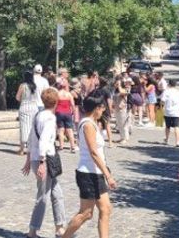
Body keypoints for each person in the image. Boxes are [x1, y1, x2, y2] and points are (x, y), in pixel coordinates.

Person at [62, 92, 117, 238]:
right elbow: (93, 152)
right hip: (88, 174)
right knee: (86, 213)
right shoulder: (87, 125)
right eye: (102, 108)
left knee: (106, 209)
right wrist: (108, 176)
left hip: (96, 173)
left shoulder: (92, 123)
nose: (103, 111)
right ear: (96, 108)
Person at [21, 88, 66, 238]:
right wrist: (41, 163)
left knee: (57, 193)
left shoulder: (37, 115)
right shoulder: (50, 118)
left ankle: (60, 228)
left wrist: (28, 160)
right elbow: (43, 141)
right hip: (44, 160)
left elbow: (30, 139)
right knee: (43, 196)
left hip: (38, 159)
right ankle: (32, 231)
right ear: (56, 102)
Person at [17, 71, 40, 156]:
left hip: (25, 106)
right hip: (34, 107)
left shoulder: (22, 86)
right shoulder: (35, 86)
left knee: (24, 127)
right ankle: (32, 148)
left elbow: (17, 97)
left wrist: (23, 99)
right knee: (32, 127)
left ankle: (22, 149)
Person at [55, 79, 78, 152]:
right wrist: (73, 113)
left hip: (59, 112)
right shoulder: (69, 94)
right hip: (68, 112)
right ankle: (73, 146)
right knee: (69, 130)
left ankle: (61, 146)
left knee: (61, 130)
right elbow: (72, 104)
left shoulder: (57, 94)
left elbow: (55, 104)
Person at [162, 80, 179, 146]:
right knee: (176, 126)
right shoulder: (178, 92)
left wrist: (162, 105)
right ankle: (177, 141)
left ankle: (167, 139)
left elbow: (162, 101)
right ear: (175, 85)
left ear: (169, 84)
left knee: (167, 126)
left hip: (167, 112)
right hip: (176, 112)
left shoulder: (166, 92)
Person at [114, 77, 132, 144]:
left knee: (124, 124)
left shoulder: (125, 89)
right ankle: (122, 137)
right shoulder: (116, 90)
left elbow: (122, 93)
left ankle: (125, 138)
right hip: (117, 108)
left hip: (123, 109)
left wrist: (119, 86)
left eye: (118, 83)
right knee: (119, 124)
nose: (116, 84)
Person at [98, 77, 114, 148]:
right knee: (107, 125)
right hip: (105, 109)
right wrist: (110, 110)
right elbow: (109, 101)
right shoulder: (107, 91)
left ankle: (98, 140)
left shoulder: (97, 90)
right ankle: (110, 142)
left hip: (98, 108)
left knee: (98, 124)